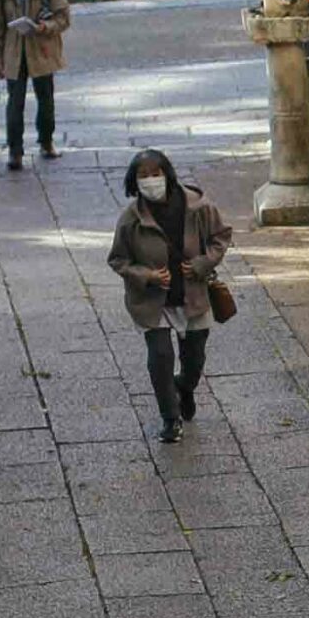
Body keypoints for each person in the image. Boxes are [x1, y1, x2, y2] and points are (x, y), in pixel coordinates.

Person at [107, 149, 232, 442]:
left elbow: (221, 236)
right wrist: (146, 275)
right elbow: (118, 259)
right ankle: (170, 418)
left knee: (194, 360)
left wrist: (202, 263)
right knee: (160, 356)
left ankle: (184, 388)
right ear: (133, 182)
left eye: (155, 173)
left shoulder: (197, 206)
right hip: (153, 301)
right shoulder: (130, 219)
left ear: (168, 174)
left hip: (192, 295)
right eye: (143, 176)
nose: (151, 180)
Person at [0, 0, 70, 168]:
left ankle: (46, 142)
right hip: (14, 52)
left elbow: (63, 17)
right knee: (14, 103)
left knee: (46, 99)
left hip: (41, 48)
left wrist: (46, 27)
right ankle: (15, 151)